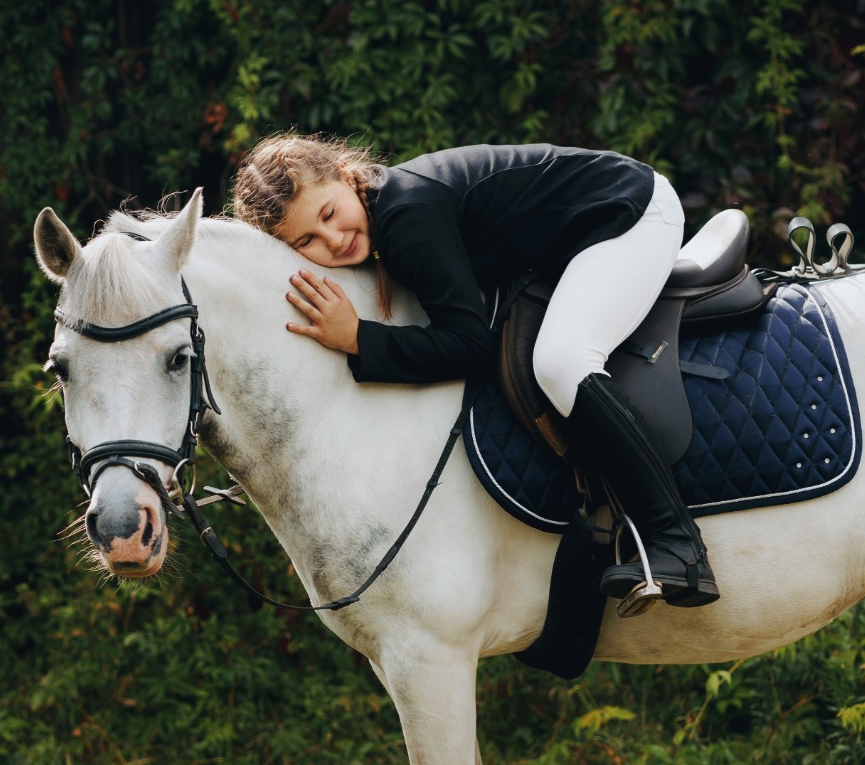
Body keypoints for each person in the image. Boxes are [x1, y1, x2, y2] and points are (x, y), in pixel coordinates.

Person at [230, 135, 719, 607]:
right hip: (579, 233)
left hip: (627, 212)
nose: (333, 240)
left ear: (344, 175)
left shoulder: (404, 217)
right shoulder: (381, 212)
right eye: (307, 241)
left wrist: (359, 338)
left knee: (561, 361)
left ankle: (677, 542)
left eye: (330, 214)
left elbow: (470, 346)